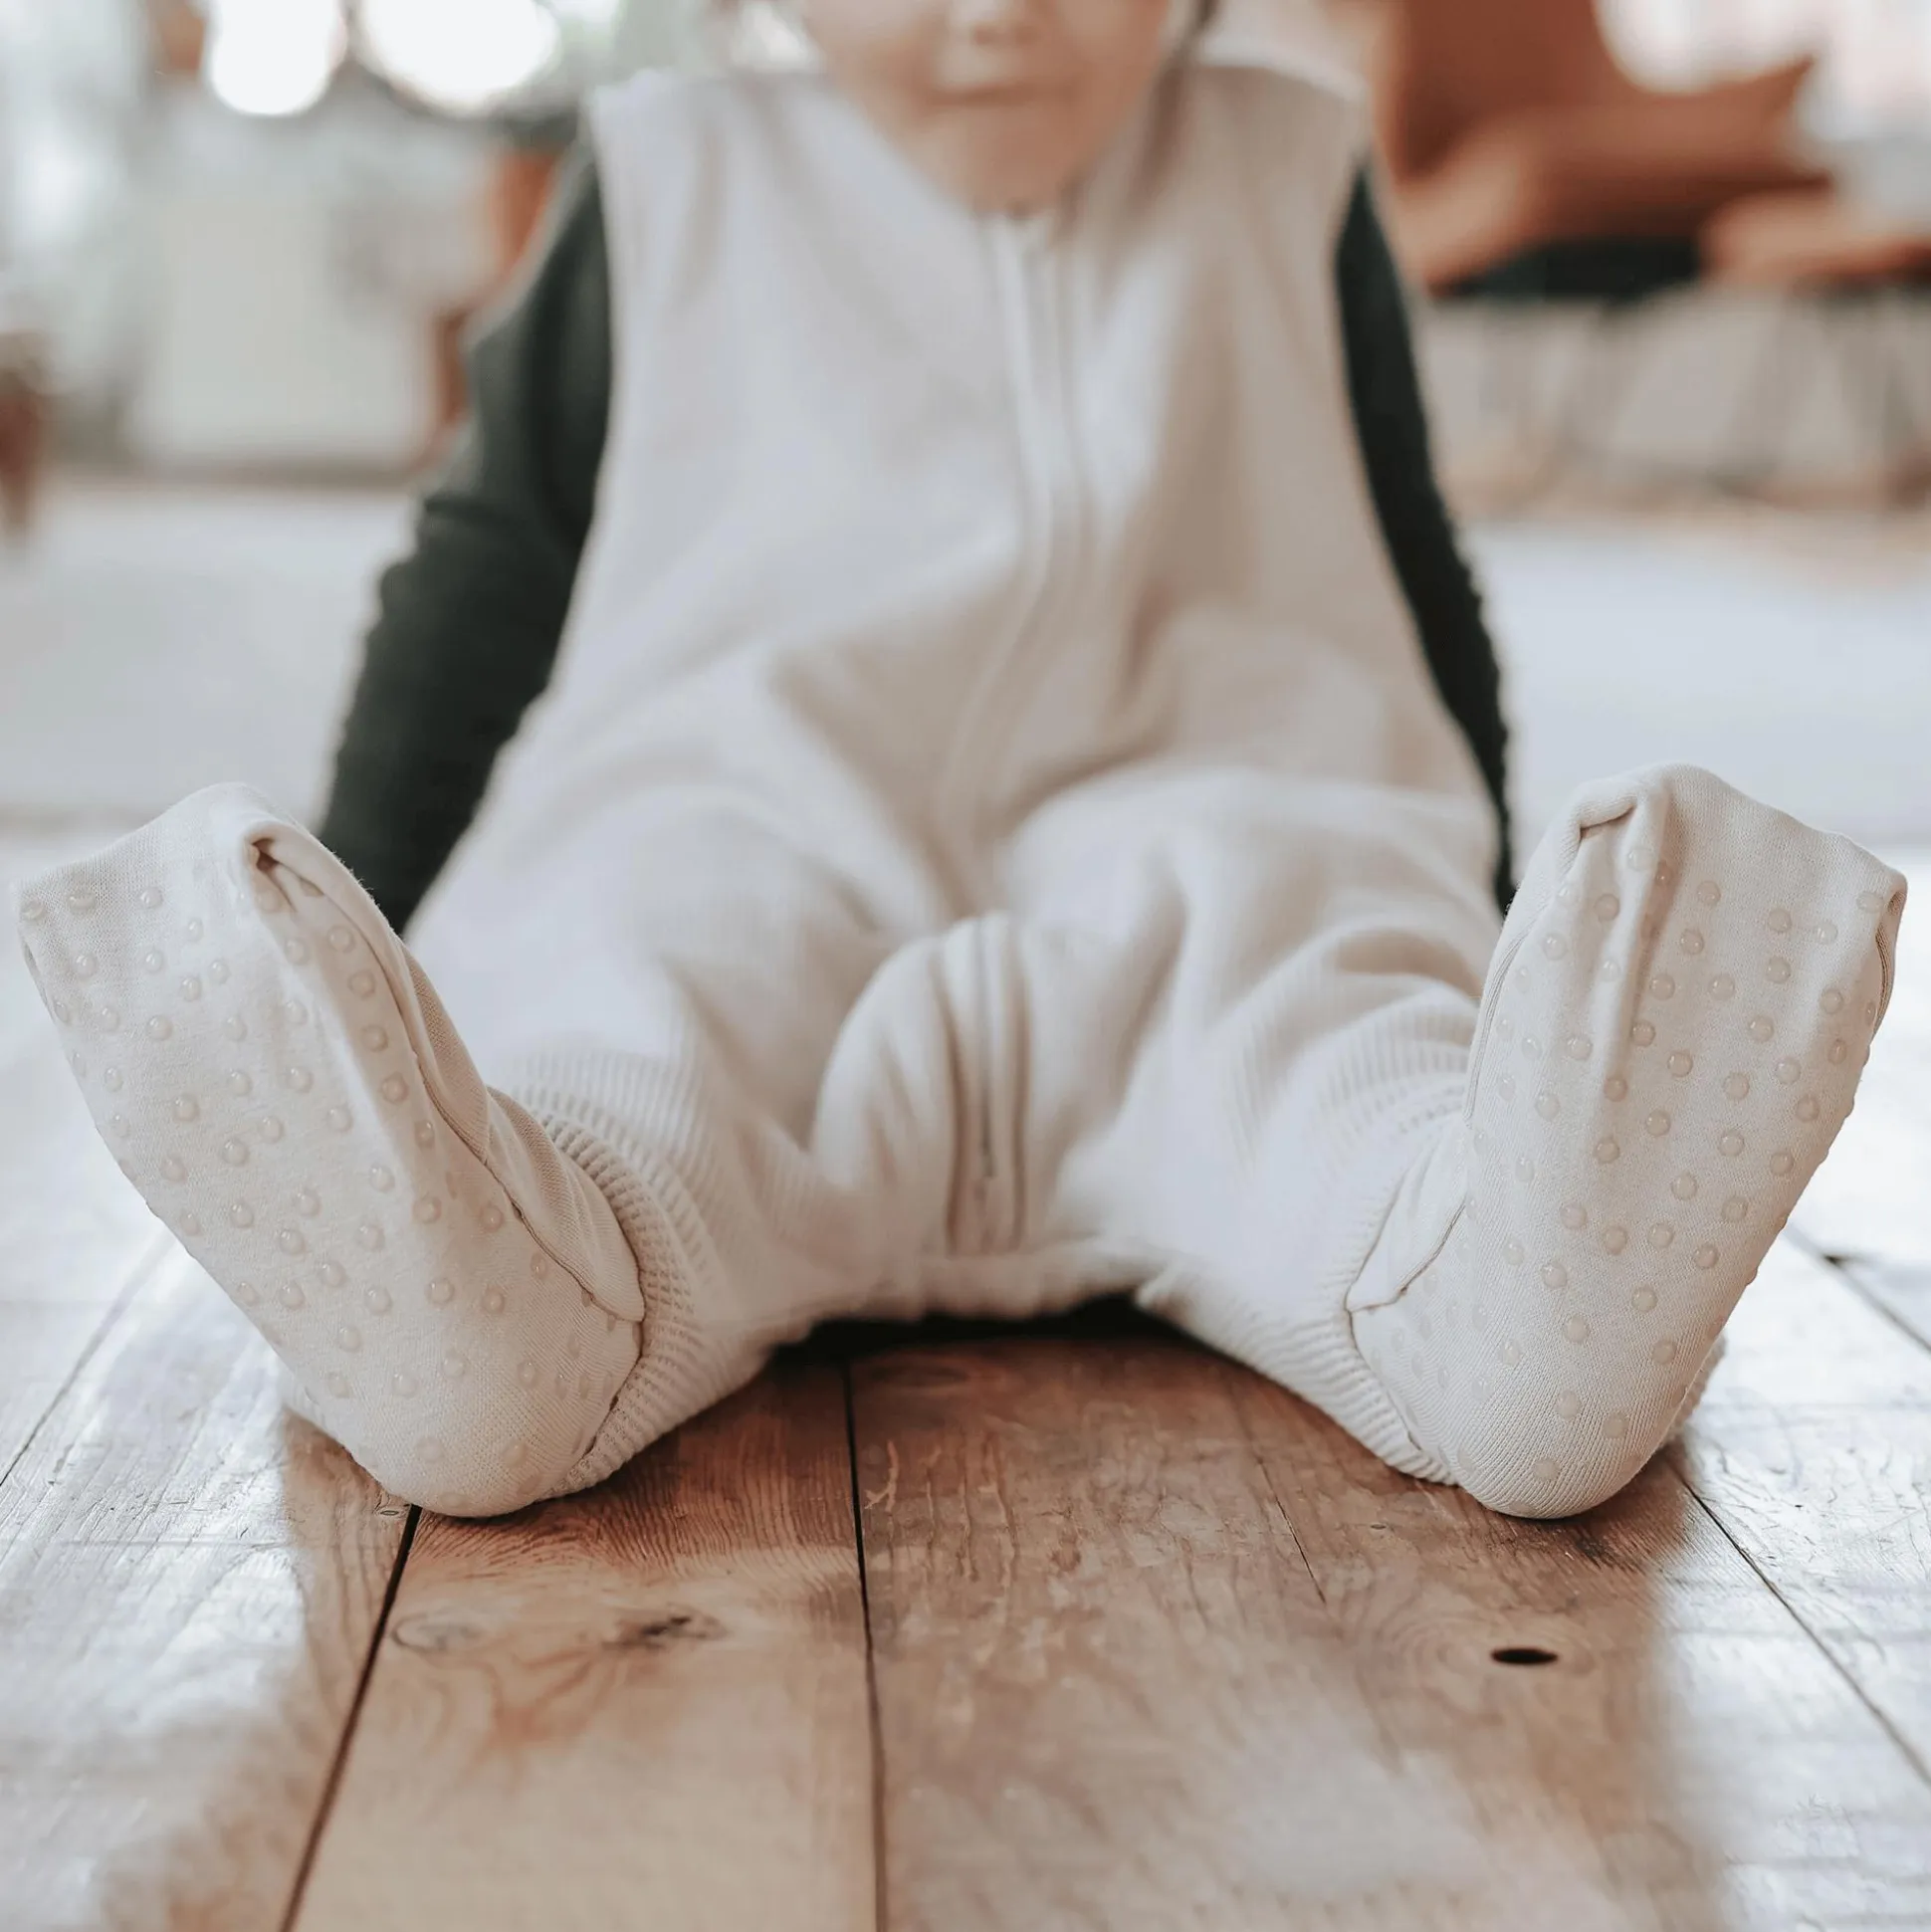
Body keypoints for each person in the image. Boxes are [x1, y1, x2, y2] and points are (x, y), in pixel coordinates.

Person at [17, 0, 1904, 1522]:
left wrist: (1490, 953)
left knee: (1339, 1059)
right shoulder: (671, 174)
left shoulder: (1289, 167)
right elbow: (484, 580)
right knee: (626, 1004)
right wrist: (373, 929)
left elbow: (1414, 571)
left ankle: (1513, 1309)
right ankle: (495, 1315)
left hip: (1211, 847)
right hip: (749, 823)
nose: (997, 18)